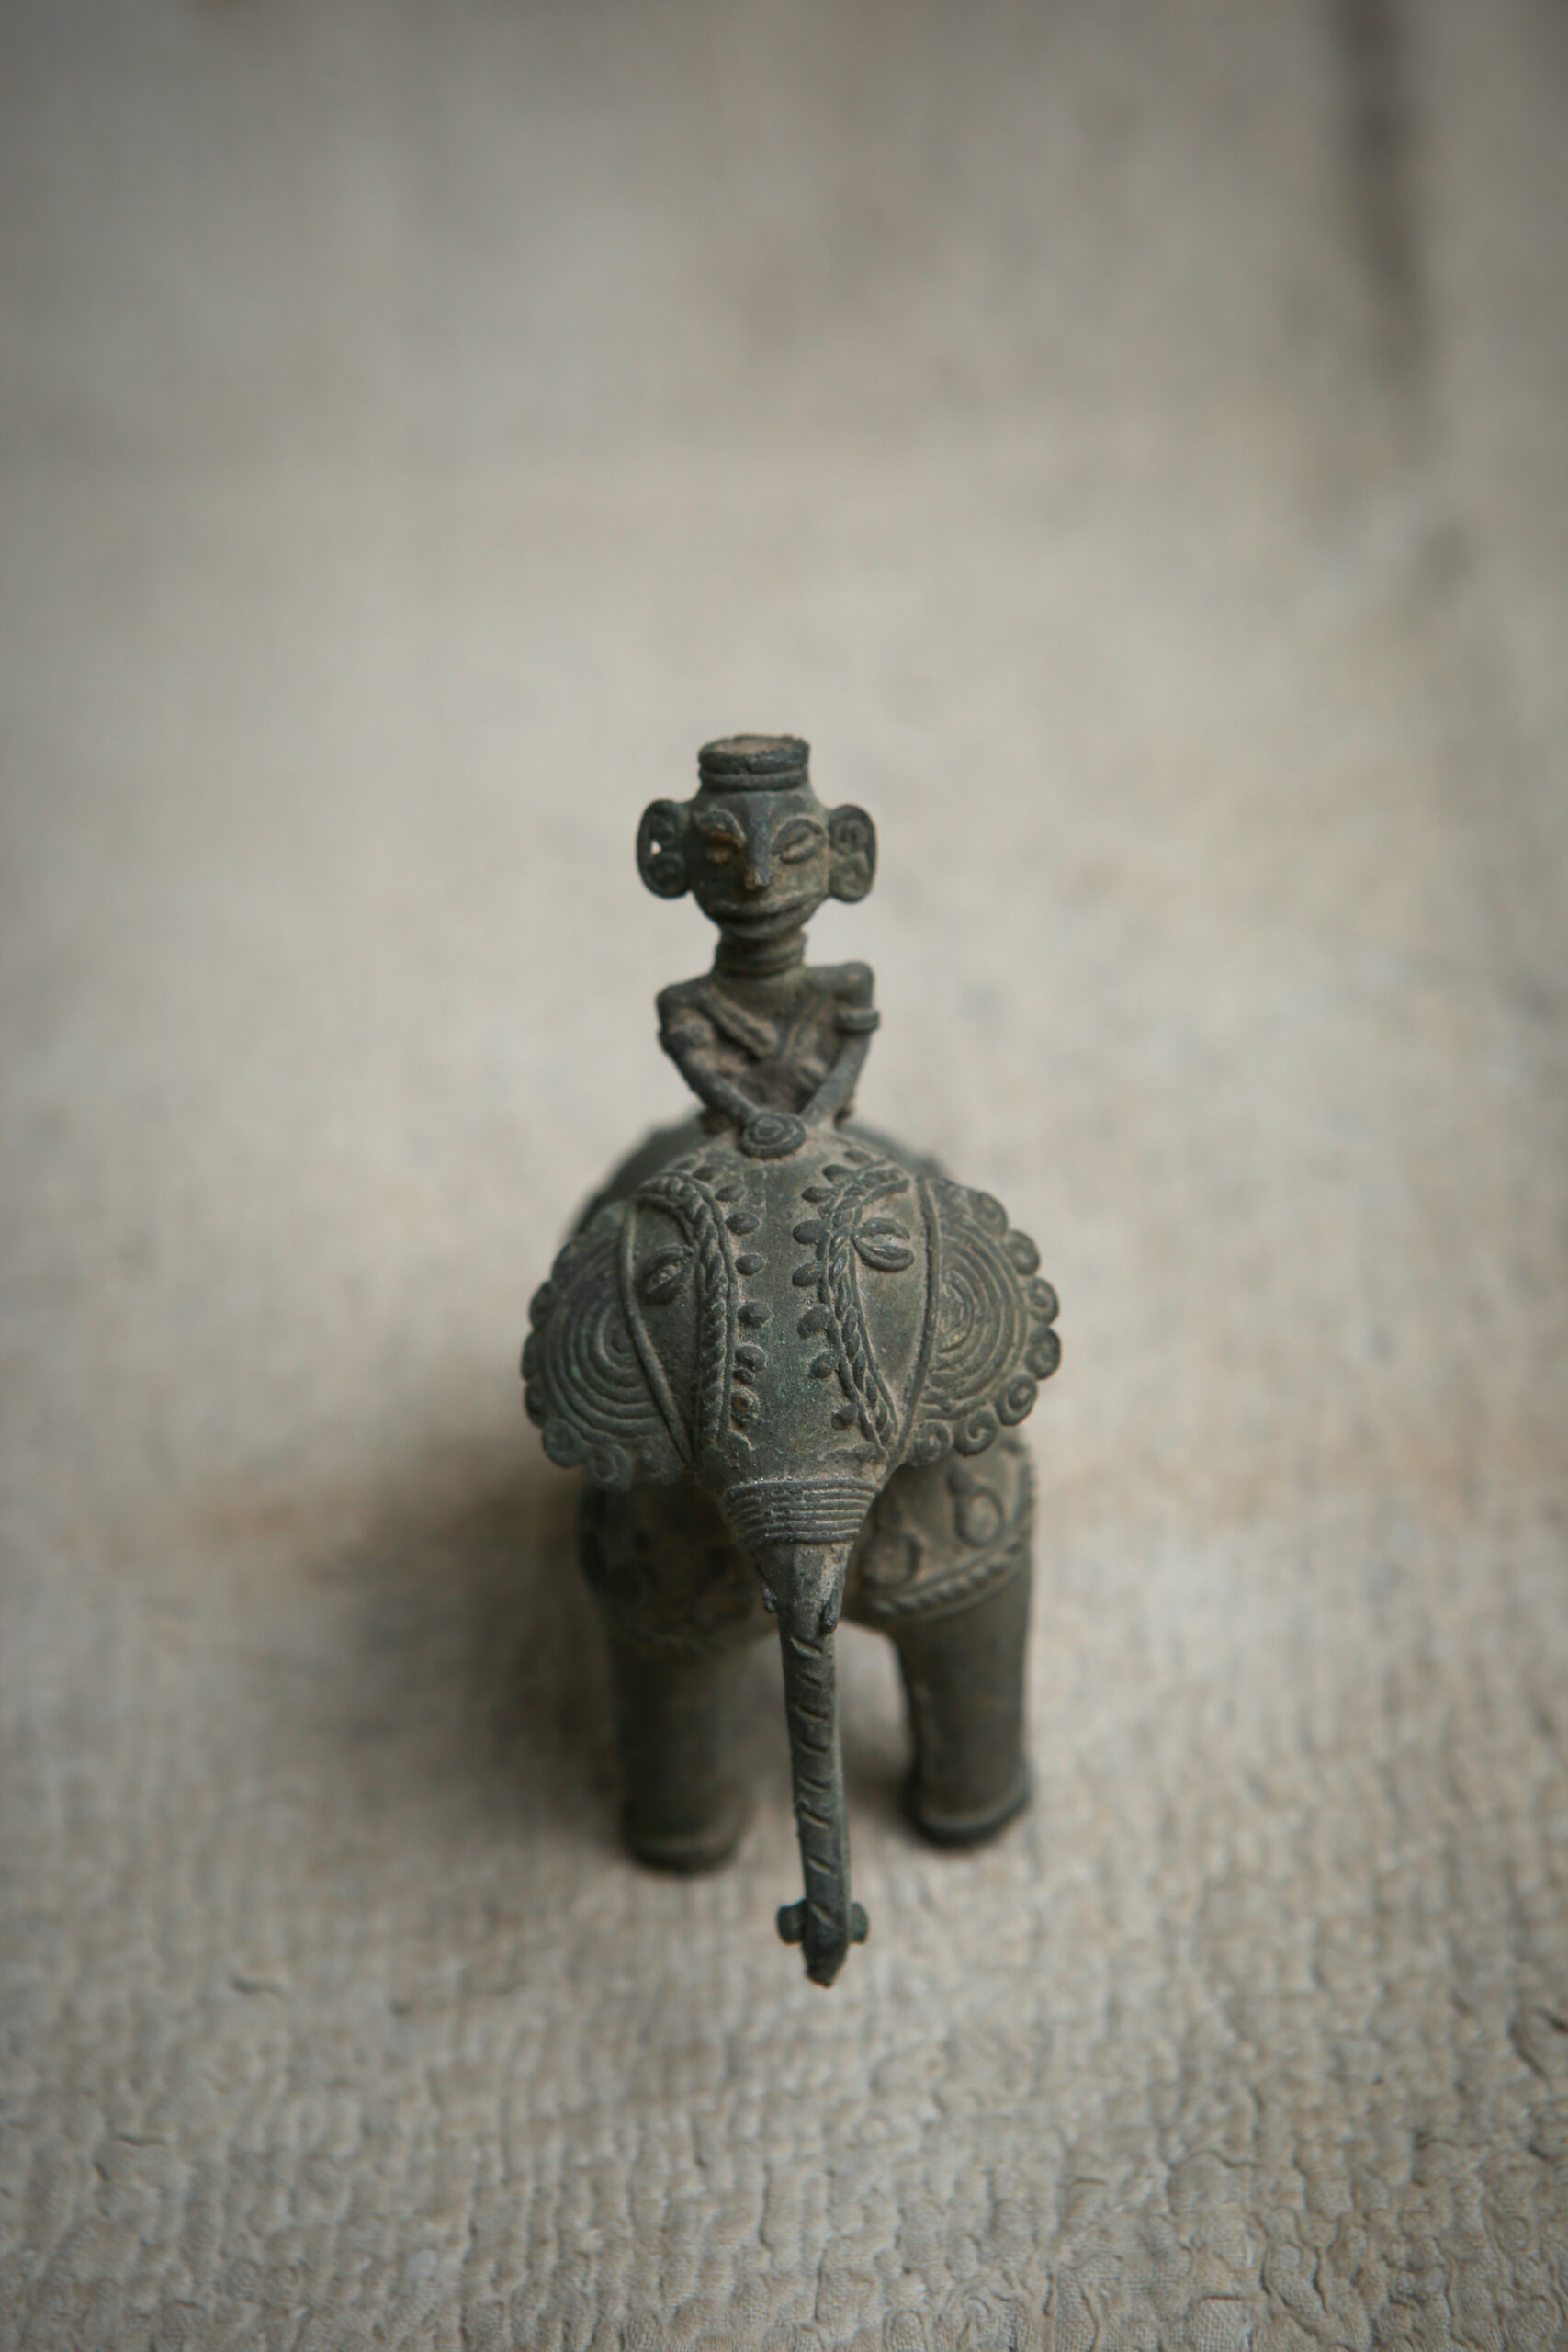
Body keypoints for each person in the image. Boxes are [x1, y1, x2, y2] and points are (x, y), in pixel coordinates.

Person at [636, 735, 880, 1159]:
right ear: (673, 852)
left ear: (845, 850)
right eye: (720, 850)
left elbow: (848, 1064)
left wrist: (813, 1123)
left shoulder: (850, 985)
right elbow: (708, 1081)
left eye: (796, 846)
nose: (758, 878)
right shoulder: (683, 1004)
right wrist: (755, 1122)